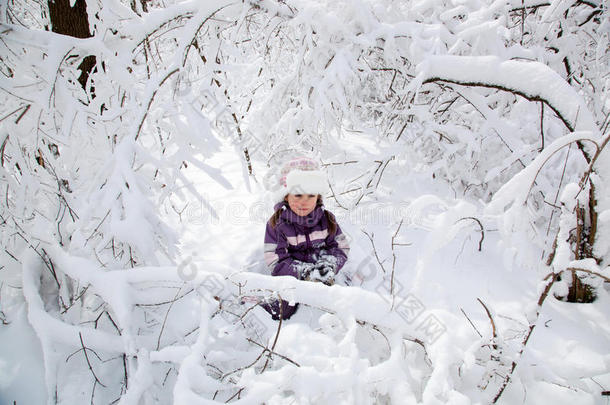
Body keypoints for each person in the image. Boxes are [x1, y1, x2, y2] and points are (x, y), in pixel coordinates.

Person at [262, 157, 350, 320]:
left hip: (322, 273)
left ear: (318, 197)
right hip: (292, 277)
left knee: (341, 301)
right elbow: (275, 259)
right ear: (286, 196)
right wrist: (305, 273)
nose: (304, 202)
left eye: (311, 195)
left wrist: (329, 266)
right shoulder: (278, 223)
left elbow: (340, 247)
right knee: (281, 308)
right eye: (298, 194)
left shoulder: (327, 219)